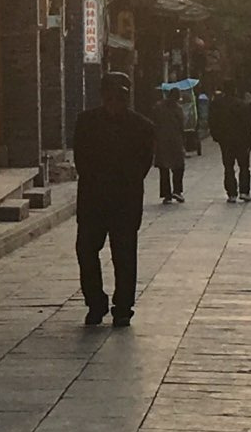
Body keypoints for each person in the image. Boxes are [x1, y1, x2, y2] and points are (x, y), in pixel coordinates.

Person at [74, 71, 155, 328]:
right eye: (110, 96)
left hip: (125, 202)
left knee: (124, 256)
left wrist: (124, 182)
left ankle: (123, 307)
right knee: (86, 251)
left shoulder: (142, 127)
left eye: (120, 97)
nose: (114, 102)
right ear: (102, 96)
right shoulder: (86, 123)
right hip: (93, 200)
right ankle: (95, 302)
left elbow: (144, 164)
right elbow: (81, 160)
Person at [209, 80, 251, 203]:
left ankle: (231, 193)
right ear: (235, 90)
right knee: (244, 166)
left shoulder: (217, 105)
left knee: (228, 166)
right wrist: (250, 140)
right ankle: (244, 191)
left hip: (225, 140)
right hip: (241, 140)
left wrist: (216, 136)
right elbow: (247, 125)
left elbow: (212, 121)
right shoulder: (242, 105)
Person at [153, 88, 186, 204]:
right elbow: (182, 125)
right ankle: (177, 190)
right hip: (175, 140)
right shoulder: (177, 108)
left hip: (162, 140)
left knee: (164, 168)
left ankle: (167, 194)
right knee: (178, 166)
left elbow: (154, 123)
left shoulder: (158, 107)